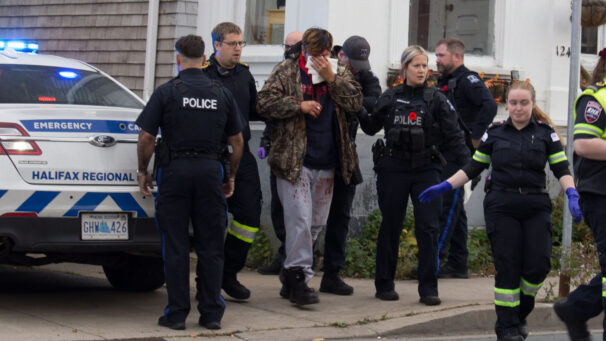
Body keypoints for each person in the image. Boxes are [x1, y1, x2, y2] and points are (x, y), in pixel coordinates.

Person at [419, 81, 582, 341]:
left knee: (538, 267)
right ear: (507, 104)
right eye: (513, 103)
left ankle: (519, 314)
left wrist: (572, 192)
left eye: (524, 103)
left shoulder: (545, 134)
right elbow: (473, 167)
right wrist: (445, 186)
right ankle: (507, 328)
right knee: (508, 267)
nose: (518, 108)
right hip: (501, 206)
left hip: (535, 206)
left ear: (532, 104)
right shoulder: (494, 133)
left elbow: (561, 169)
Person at [136, 34, 244, 330]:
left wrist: (142, 171)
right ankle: (211, 315)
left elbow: (146, 136)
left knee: (176, 245)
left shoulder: (167, 92)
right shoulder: (221, 93)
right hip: (211, 171)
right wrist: (231, 175)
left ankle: (176, 315)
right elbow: (236, 139)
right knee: (211, 246)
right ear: (205, 58)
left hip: (175, 173)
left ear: (177, 58)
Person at [257, 27, 362, 306]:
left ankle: (291, 274)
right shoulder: (288, 71)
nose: (322, 58)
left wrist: (332, 79)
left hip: (328, 162)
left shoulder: (338, 72)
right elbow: (263, 102)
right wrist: (298, 105)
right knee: (300, 221)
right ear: (305, 50)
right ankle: (300, 280)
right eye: (317, 54)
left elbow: (356, 103)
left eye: (326, 54)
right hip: (295, 162)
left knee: (315, 224)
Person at [357, 45, 469, 306]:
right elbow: (372, 126)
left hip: (427, 170)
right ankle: (384, 283)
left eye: (424, 65)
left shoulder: (437, 99)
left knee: (428, 228)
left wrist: (469, 169)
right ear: (404, 69)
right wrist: (358, 106)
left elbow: (455, 137)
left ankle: (428, 288)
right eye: (416, 65)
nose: (421, 70)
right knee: (391, 226)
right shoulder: (391, 96)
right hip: (394, 168)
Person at [317, 35, 381, 296]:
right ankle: (295, 271)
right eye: (352, 62)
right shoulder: (320, 68)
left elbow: (373, 107)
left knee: (340, 215)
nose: (355, 68)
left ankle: (332, 273)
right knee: (305, 216)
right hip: (317, 152)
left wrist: (349, 97)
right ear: (340, 54)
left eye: (360, 64)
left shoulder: (366, 77)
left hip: (345, 156)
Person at [203, 22, 262, 300]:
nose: (238, 48)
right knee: (212, 221)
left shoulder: (245, 75)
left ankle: (229, 273)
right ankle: (208, 279)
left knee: (249, 217)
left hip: (242, 155)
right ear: (216, 45)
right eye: (232, 43)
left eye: (241, 43)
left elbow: (254, 110)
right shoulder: (203, 75)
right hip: (211, 156)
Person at [554, 47, 606, 341]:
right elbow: (584, 145)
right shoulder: (596, 97)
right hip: (601, 193)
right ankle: (576, 308)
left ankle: (576, 308)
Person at [434, 37, 497, 278]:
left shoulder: (468, 80)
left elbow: (489, 106)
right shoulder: (446, 81)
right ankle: (458, 263)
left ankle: (434, 261)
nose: (436, 60)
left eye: (441, 56)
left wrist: (475, 136)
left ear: (456, 57)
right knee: (455, 209)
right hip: (445, 151)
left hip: (460, 156)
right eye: (437, 56)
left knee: (447, 205)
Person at [257, 30, 304, 276]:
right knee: (279, 210)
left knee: (301, 217)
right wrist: (265, 141)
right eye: (286, 45)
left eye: (294, 46)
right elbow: (266, 107)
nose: (289, 50)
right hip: (282, 152)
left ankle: (293, 263)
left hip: (305, 156)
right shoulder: (282, 71)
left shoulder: (312, 75)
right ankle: (285, 256)